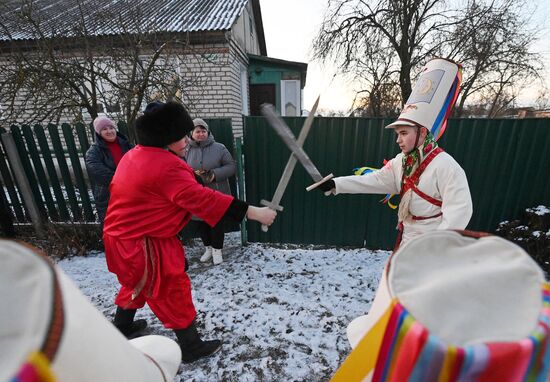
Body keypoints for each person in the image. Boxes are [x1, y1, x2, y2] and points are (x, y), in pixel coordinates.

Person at [103, 101, 277, 363]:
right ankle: (191, 346)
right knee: (171, 290)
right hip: (144, 244)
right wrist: (254, 212)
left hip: (122, 239)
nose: (186, 140)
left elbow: (171, 185)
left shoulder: (135, 154)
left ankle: (122, 326)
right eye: (180, 136)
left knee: (135, 283)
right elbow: (202, 199)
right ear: (164, 139)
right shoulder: (165, 166)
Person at [315, 58, 472, 249]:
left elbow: (459, 211)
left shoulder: (446, 166)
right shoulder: (401, 162)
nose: (398, 140)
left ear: (422, 132)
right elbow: (373, 180)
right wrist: (336, 184)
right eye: (398, 134)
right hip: (406, 237)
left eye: (404, 133)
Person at [185, 117, 236, 265]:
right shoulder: (186, 149)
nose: (200, 134)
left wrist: (213, 174)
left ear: (208, 132)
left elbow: (231, 167)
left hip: (217, 192)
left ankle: (217, 250)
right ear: (192, 133)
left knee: (216, 222)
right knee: (201, 223)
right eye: (197, 131)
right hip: (196, 194)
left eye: (203, 131)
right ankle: (208, 248)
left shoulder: (219, 148)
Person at [85, 116, 133, 224]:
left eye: (111, 127)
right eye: (104, 129)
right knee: (115, 227)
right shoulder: (93, 152)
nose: (109, 131)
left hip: (132, 192)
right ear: (99, 133)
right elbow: (97, 171)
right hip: (108, 196)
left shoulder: (128, 145)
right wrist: (122, 181)